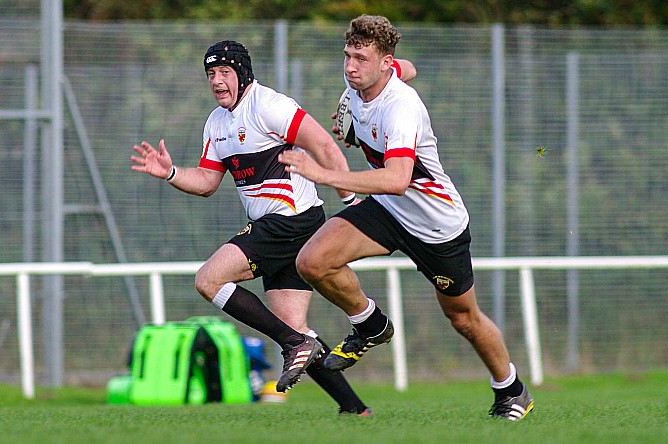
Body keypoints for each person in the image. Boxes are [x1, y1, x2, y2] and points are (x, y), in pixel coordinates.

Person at [131, 40, 411, 415]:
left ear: (243, 73)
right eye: (211, 74)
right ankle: (355, 409)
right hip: (275, 226)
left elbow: (325, 147)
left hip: (292, 222)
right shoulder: (216, 123)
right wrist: (170, 172)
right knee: (295, 326)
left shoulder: (270, 106)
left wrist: (349, 201)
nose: (216, 81)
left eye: (224, 72)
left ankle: (292, 344)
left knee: (209, 281)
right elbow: (206, 182)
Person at [278, 15, 535, 421]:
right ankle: (370, 325)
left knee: (463, 318)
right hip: (388, 210)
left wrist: (323, 173)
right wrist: (353, 123)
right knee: (313, 261)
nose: (350, 66)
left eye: (361, 58)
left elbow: (397, 179)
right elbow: (407, 69)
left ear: (383, 62)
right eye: (347, 56)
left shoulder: (402, 107)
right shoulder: (364, 81)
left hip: (436, 226)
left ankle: (512, 390)